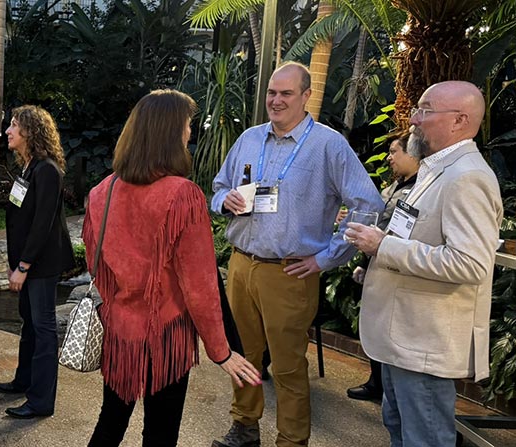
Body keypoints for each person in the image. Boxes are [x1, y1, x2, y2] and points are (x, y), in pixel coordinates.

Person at [211, 62, 383, 447]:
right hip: (241, 265)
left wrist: (326, 258)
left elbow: (368, 205)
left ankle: (291, 441)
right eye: (272, 93)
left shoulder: (328, 145)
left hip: (290, 274)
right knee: (243, 354)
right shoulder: (249, 139)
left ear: (306, 96)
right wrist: (225, 200)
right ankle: (245, 427)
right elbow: (218, 187)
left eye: (286, 93)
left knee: (288, 366)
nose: (276, 100)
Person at [83, 89, 261, 447]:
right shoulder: (182, 194)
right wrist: (221, 351)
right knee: (160, 433)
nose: (190, 132)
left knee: (110, 422)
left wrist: (123, 302)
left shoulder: (103, 190)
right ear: (170, 132)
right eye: (187, 124)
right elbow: (200, 286)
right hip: (166, 338)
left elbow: (96, 265)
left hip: (120, 332)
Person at [347, 80, 503, 447]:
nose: (414, 119)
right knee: (401, 429)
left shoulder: (468, 178)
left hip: (424, 345)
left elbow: (469, 263)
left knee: (424, 439)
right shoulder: (436, 170)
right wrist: (380, 249)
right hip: (403, 340)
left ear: (459, 120)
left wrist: (383, 247)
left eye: (425, 110)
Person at [0, 105, 75, 419]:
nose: (8, 131)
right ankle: (24, 380)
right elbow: (19, 216)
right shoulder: (28, 167)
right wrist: (15, 262)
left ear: (30, 131)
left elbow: (43, 224)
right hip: (26, 262)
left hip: (41, 264)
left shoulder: (47, 170)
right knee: (29, 322)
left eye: (14, 125)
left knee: (43, 329)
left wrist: (24, 266)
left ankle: (41, 401)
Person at [345, 132, 419, 402]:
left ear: (412, 154)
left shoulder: (420, 190)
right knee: (376, 326)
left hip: (398, 268)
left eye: (394, 152)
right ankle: (376, 382)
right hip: (378, 263)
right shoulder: (395, 186)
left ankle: (387, 388)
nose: (389, 158)